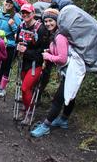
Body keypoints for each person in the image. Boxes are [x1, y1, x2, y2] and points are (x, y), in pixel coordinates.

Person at [31, 8, 74, 137]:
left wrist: (48, 57)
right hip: (70, 71)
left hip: (72, 72)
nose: (48, 23)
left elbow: (62, 58)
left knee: (58, 99)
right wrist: (50, 52)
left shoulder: (60, 36)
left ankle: (46, 126)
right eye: (46, 21)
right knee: (70, 96)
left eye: (51, 20)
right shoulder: (57, 34)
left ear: (57, 20)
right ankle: (64, 120)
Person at [15, 3, 50, 124]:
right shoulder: (20, 26)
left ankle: (29, 113)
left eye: (27, 13)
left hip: (36, 64)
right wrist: (18, 47)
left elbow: (44, 51)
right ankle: (25, 109)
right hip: (24, 63)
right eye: (23, 13)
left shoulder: (41, 29)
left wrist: (27, 52)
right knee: (25, 89)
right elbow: (17, 42)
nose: (25, 15)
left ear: (33, 14)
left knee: (25, 88)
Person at [0, 0, 22, 97]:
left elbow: (19, 34)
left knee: (6, 67)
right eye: (6, 2)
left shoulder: (16, 17)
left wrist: (12, 25)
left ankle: (2, 88)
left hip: (10, 46)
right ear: (3, 2)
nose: (8, 4)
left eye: (11, 2)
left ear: (13, 5)